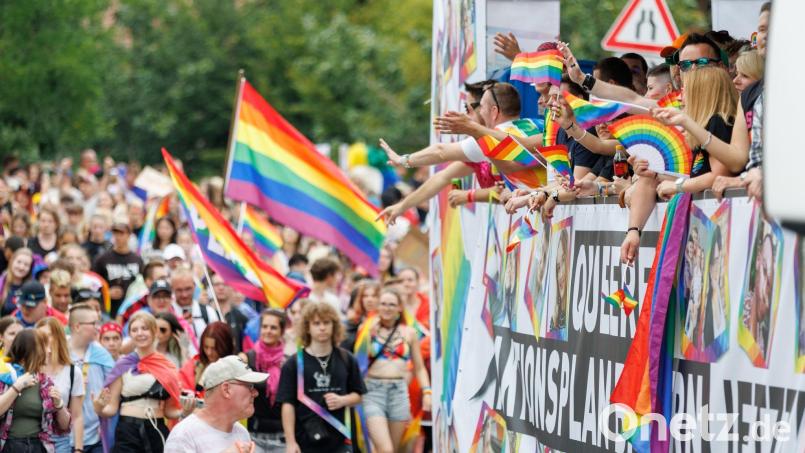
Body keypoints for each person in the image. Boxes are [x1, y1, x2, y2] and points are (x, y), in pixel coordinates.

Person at [94, 311, 192, 453]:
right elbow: (112, 408)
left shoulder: (166, 366)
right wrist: (98, 407)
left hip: (156, 428)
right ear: (130, 334)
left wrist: (185, 410)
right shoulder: (123, 364)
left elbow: (169, 410)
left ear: (154, 331)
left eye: (144, 328)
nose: (140, 333)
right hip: (128, 429)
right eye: (134, 330)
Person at [277, 301, 366, 453]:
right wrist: (291, 442)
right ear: (308, 328)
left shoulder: (347, 359)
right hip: (305, 440)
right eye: (316, 323)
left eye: (327, 322)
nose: (322, 327)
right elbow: (287, 404)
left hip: (341, 439)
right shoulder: (293, 363)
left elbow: (359, 395)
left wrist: (343, 400)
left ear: (334, 325)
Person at [359, 288, 431, 453]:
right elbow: (358, 364)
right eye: (383, 304)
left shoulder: (410, 333)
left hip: (399, 393)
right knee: (386, 449)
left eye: (392, 304)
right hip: (372, 392)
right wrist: (367, 334)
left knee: (394, 449)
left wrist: (427, 392)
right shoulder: (367, 330)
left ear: (400, 308)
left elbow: (419, 367)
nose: (387, 308)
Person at [164, 356, 266, 453]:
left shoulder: (241, 432)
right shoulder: (183, 435)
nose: (255, 393)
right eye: (249, 386)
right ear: (226, 389)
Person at [0, 329, 71, 452]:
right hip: (9, 445)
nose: (49, 351)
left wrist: (59, 405)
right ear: (31, 350)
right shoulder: (6, 375)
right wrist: (17, 386)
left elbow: (64, 427)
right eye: (44, 346)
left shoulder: (46, 382)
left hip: (38, 446)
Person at [68, 304, 117, 453]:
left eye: (98, 322)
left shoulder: (102, 355)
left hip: (94, 438)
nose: (98, 327)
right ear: (77, 326)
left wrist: (102, 408)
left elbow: (113, 397)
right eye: (94, 323)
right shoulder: (59, 352)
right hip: (63, 438)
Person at [240, 309, 288, 452]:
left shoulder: (289, 362)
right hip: (254, 436)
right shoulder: (247, 358)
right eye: (265, 326)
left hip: (282, 438)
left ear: (282, 331)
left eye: (273, 328)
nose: (268, 331)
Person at [36, 317, 85, 453]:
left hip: (60, 441)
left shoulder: (73, 372)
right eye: (40, 336)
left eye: (48, 335)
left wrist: (78, 449)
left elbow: (77, 415)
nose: (43, 340)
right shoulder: (31, 369)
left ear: (58, 337)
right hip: (32, 439)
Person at [92, 220, 143, 317]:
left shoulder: (137, 260)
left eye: (121, 233)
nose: (118, 237)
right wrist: (107, 293)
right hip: (108, 309)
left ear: (129, 235)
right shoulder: (102, 259)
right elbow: (93, 284)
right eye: (115, 233)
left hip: (131, 309)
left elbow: (142, 285)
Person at [179, 321, 235, 399]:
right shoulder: (194, 364)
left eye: (214, 348)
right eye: (206, 347)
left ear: (225, 346)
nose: (209, 352)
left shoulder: (235, 367)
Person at [171, 268, 220, 341]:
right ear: (172, 289)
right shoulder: (168, 314)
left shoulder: (208, 312)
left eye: (188, 289)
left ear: (194, 286)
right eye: (179, 290)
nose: (184, 295)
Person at [210, 272, 249, 353]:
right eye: (217, 284)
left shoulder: (240, 317)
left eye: (225, 284)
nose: (221, 288)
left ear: (231, 287)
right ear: (211, 287)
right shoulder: (204, 313)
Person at [342, 280, 381, 351]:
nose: (369, 299)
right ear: (361, 299)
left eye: (374, 296)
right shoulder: (352, 323)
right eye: (365, 296)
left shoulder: (384, 322)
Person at [0, 247, 33, 316]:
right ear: (12, 261)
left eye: (26, 264)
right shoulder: (2, 283)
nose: (21, 267)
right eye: (19, 262)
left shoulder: (31, 288)